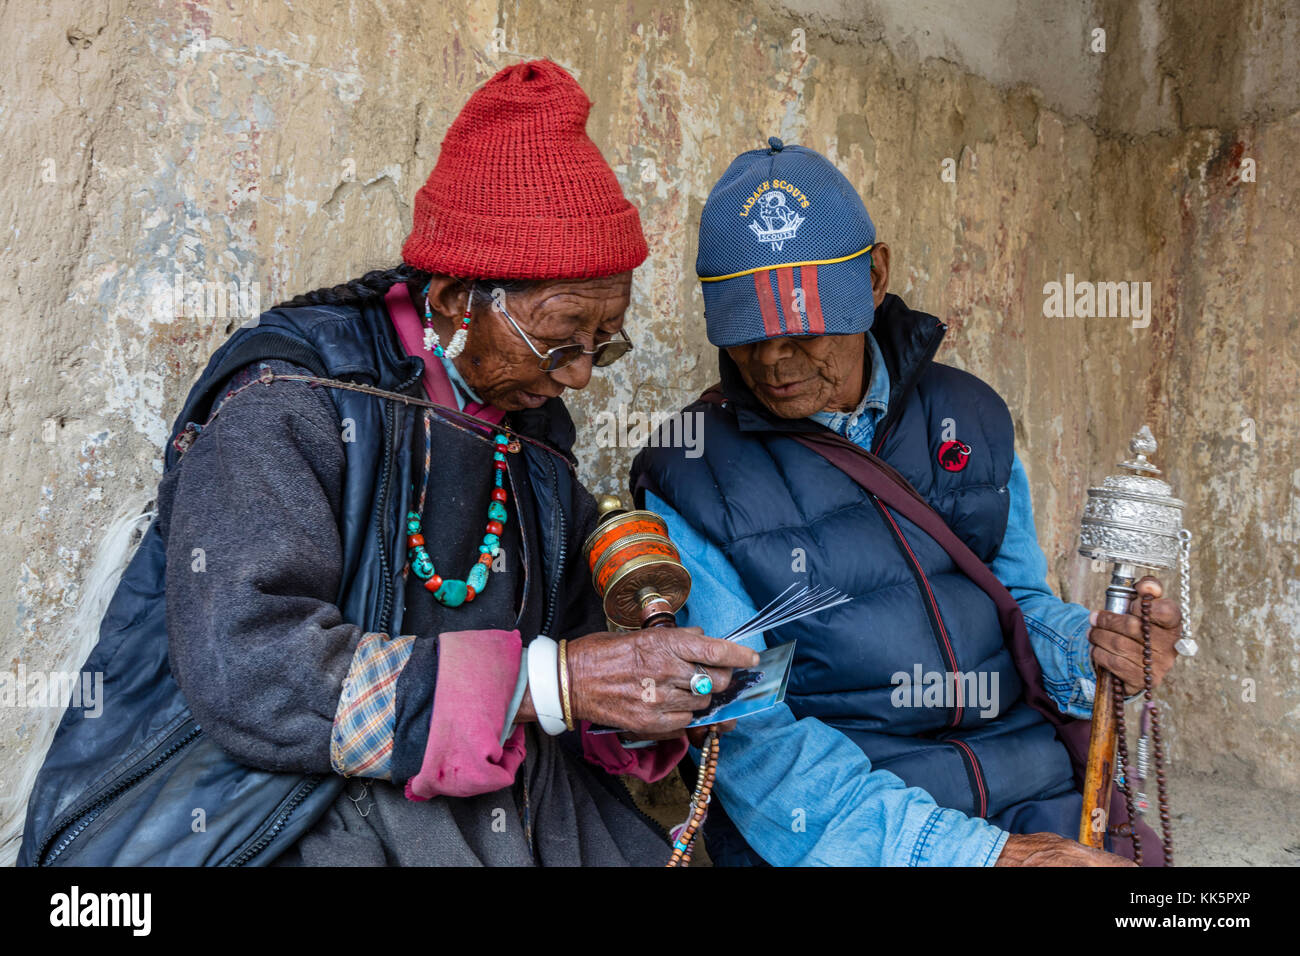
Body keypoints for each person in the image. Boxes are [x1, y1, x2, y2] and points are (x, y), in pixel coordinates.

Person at [17, 59, 755, 868]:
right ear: (451, 302)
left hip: (497, 793)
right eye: (561, 336)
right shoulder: (291, 396)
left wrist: (643, 688)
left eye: (603, 340)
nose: (579, 372)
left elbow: (570, 638)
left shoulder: (534, 431)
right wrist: (551, 685)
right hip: (279, 801)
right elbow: (253, 666)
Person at [631, 138, 1186, 867]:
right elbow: (753, 739)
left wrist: (1093, 650)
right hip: (859, 832)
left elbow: (1017, 600)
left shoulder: (971, 417)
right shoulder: (692, 472)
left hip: (1035, 788)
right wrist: (983, 856)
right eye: (745, 333)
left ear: (873, 276)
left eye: (802, 326)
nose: (772, 358)